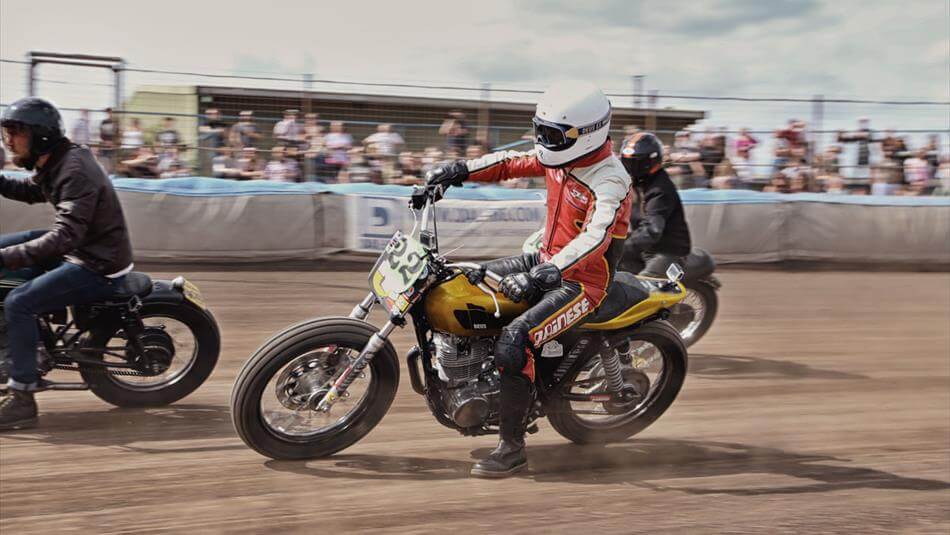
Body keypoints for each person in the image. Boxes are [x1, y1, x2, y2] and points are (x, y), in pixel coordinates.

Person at [425, 80, 632, 478]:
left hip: (583, 282)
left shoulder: (611, 180)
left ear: (587, 133)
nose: (542, 141)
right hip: (546, 258)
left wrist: (548, 272)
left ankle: (512, 448)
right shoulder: (560, 156)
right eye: (540, 130)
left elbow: (596, 235)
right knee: (465, 280)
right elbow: (510, 163)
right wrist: (458, 171)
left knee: (514, 341)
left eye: (551, 135)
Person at [0, 97, 134, 430]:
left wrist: (8, 258)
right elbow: (32, 193)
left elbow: (64, 238)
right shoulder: (55, 161)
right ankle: (20, 344)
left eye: (15, 132)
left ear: (40, 135)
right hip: (82, 245)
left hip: (97, 262)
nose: (7, 140)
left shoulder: (74, 170)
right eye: (6, 132)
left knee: (19, 302)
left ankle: (22, 399)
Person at [618, 132, 692, 277]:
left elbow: (652, 230)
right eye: (627, 161)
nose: (630, 167)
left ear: (649, 161)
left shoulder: (660, 189)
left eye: (635, 162)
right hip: (646, 247)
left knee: (643, 289)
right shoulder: (639, 183)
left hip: (667, 251)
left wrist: (623, 247)